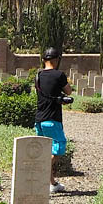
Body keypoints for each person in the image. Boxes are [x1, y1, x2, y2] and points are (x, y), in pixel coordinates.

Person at [34, 47, 72, 194]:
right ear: (56, 60)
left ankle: (52, 183)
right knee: (57, 149)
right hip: (52, 119)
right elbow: (68, 91)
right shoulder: (59, 75)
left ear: (44, 60)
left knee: (45, 150)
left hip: (39, 119)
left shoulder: (38, 75)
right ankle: (42, 173)